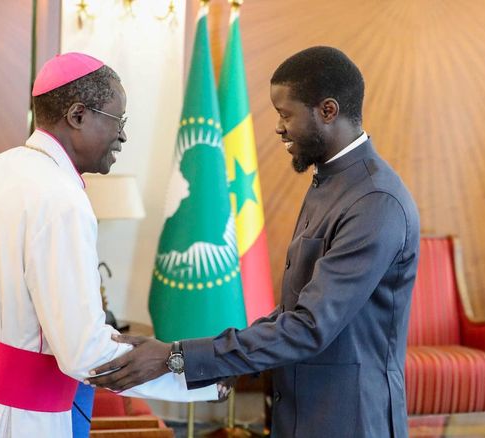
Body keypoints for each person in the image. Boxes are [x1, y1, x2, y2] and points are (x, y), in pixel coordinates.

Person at [88, 46, 420, 437]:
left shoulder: (375, 201)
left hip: (349, 419)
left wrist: (175, 357)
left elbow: (309, 326)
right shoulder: (331, 182)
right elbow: (293, 311)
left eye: (285, 114)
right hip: (299, 413)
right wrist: (215, 358)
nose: (279, 127)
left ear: (328, 111)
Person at [0, 52, 217, 438]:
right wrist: (198, 374)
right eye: (118, 120)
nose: (123, 135)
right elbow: (86, 353)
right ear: (77, 115)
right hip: (16, 419)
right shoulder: (61, 200)